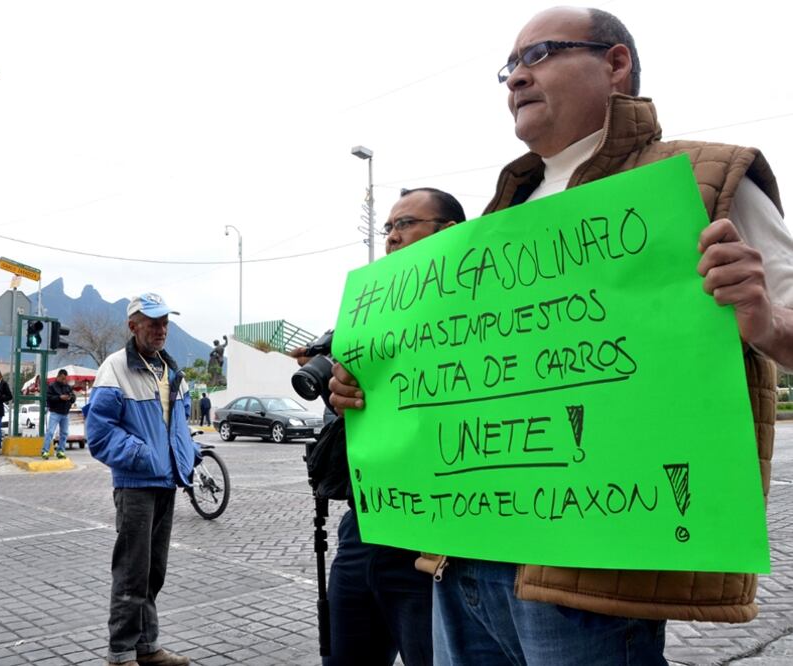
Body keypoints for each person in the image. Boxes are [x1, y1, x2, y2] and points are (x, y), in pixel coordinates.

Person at [330, 7, 793, 665]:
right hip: (461, 561)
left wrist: (766, 322)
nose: (515, 77)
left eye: (538, 54)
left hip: (589, 579)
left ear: (614, 64)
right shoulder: (495, 221)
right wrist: (365, 386)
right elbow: (446, 375)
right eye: (508, 67)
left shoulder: (699, 179)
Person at [294, 187, 466, 666]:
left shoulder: (478, 316)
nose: (392, 237)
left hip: (436, 545)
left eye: (405, 223)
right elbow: (346, 419)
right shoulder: (371, 318)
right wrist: (342, 402)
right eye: (387, 227)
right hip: (363, 527)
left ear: (447, 232)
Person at [86, 292, 197, 666]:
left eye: (164, 322)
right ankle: (121, 652)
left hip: (167, 483)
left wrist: (187, 457)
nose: (160, 329)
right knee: (132, 572)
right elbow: (99, 435)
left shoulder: (171, 371)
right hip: (136, 485)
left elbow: (177, 426)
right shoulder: (115, 368)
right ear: (133, 326)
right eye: (152, 323)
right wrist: (143, 456)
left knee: (153, 572)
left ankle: (147, 647)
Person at [42, 368, 74, 459]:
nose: (64, 380)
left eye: (65, 379)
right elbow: (48, 398)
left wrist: (70, 397)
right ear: (58, 377)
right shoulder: (52, 386)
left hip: (65, 413)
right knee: (50, 432)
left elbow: (73, 397)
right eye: (62, 378)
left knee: (64, 433)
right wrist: (60, 397)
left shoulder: (67, 387)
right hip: (55, 413)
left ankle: (60, 451)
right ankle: (45, 451)